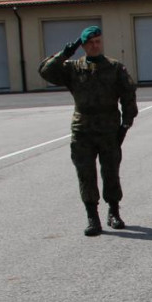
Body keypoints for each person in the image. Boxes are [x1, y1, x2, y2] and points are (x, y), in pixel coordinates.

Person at [38, 26, 138, 236]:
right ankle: (92, 216)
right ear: (83, 45)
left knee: (111, 171)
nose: (95, 45)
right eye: (90, 43)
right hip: (82, 127)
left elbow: (128, 96)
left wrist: (126, 124)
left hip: (109, 127)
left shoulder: (114, 67)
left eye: (98, 41)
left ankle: (114, 211)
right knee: (85, 173)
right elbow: (46, 72)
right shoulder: (73, 68)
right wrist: (66, 52)